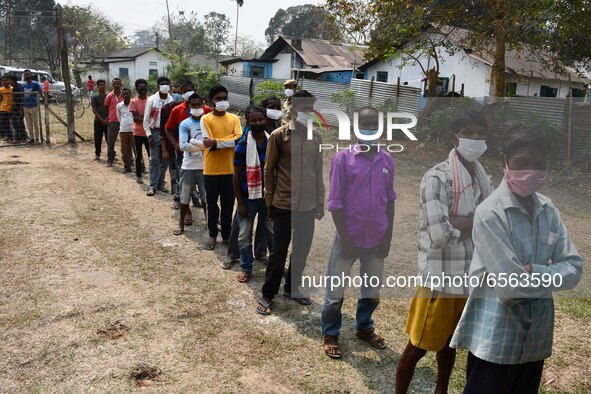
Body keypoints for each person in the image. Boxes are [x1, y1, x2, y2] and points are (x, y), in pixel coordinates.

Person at [450, 125, 583, 394]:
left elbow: (575, 269)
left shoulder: (549, 210)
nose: (531, 172)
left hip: (536, 340)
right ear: (505, 161)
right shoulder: (490, 214)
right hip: (497, 340)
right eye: (522, 163)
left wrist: (532, 270)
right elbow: (510, 288)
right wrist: (550, 272)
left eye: (539, 164)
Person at [395, 110, 494, 394]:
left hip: (468, 278)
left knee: (450, 342)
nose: (476, 138)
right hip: (439, 280)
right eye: (469, 133)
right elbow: (440, 235)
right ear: (454, 137)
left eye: (480, 133)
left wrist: (464, 221)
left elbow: (492, 221)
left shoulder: (481, 176)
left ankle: (442, 390)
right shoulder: (437, 178)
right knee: (417, 347)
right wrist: (478, 221)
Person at [321, 106, 396, 359]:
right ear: (355, 128)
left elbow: (390, 201)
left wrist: (388, 237)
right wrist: (346, 237)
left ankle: (364, 327)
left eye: (374, 124)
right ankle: (331, 333)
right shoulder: (343, 159)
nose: (370, 129)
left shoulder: (387, 159)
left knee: (372, 290)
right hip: (348, 238)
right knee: (335, 292)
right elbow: (335, 204)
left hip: (376, 238)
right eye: (365, 124)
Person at [257, 90, 325, 315]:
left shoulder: (316, 137)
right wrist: (269, 202)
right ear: (294, 109)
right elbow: (269, 170)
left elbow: (318, 171)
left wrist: (320, 201)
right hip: (283, 203)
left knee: (302, 250)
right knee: (279, 251)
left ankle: (292, 288)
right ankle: (268, 293)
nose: (308, 112)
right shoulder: (279, 135)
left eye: (311, 108)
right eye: (304, 108)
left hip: (308, 205)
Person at [225, 104, 272, 269]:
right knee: (244, 236)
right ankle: (246, 266)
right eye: (254, 120)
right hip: (248, 198)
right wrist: (241, 203)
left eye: (260, 119)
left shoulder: (273, 143)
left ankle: (274, 266)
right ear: (248, 122)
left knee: (272, 234)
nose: (258, 122)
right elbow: (236, 175)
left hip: (268, 198)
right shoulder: (243, 146)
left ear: (265, 120)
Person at [201, 84, 242, 250]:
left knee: (228, 205)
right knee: (212, 205)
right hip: (211, 169)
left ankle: (226, 235)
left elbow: (239, 140)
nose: (222, 101)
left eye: (224, 98)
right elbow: (208, 144)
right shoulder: (206, 119)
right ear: (212, 100)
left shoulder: (235, 118)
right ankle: (212, 235)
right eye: (218, 99)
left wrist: (217, 141)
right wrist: (227, 140)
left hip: (230, 170)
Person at [165, 80, 213, 218]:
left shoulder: (207, 110)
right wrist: (175, 144)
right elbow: (168, 129)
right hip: (184, 153)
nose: (186, 93)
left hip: (205, 153)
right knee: (184, 180)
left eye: (189, 90)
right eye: (183, 91)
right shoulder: (177, 109)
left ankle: (205, 210)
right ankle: (187, 211)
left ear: (194, 89)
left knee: (204, 182)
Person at [173, 93, 208, 236]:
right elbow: (182, 146)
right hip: (188, 166)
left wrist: (194, 143)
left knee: (206, 199)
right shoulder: (185, 124)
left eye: (199, 105)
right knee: (184, 198)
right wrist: (204, 146)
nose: (196, 107)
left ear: (203, 104)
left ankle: (210, 224)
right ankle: (181, 225)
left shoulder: (208, 121)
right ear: (189, 106)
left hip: (206, 167)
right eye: (193, 105)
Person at [143, 76, 173, 196]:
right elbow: (146, 120)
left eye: (167, 83)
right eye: (162, 84)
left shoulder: (171, 101)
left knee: (165, 160)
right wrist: (149, 135)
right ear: (158, 86)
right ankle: (152, 186)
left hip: (167, 132)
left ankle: (160, 183)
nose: (165, 85)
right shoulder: (151, 100)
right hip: (154, 131)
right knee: (154, 160)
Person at [129, 79, 149, 184]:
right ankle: (138, 176)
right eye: (140, 87)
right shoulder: (133, 101)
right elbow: (135, 118)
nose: (143, 88)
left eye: (144, 86)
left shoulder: (151, 100)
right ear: (137, 88)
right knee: (138, 155)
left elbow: (152, 116)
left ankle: (153, 176)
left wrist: (142, 117)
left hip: (149, 132)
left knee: (152, 155)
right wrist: (146, 118)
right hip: (137, 133)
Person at [104, 78, 123, 167]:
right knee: (111, 142)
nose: (116, 85)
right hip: (112, 122)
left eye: (118, 83)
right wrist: (110, 116)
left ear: (120, 85)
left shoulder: (125, 95)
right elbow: (106, 108)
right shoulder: (109, 96)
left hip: (123, 122)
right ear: (112, 85)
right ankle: (110, 159)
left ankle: (129, 160)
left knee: (126, 142)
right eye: (114, 84)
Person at [116, 87, 134, 172]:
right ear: (122, 95)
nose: (126, 95)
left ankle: (141, 167)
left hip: (134, 131)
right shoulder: (119, 106)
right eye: (124, 94)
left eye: (127, 94)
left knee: (136, 149)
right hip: (123, 130)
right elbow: (119, 118)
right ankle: (127, 167)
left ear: (130, 94)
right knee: (124, 150)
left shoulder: (134, 103)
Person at [21, 70, 42, 144]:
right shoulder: (23, 85)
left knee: (35, 123)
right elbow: (21, 96)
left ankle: (37, 139)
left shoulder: (35, 84)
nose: (26, 76)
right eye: (25, 74)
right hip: (25, 106)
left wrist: (43, 99)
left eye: (28, 74)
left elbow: (40, 92)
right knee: (29, 124)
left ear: (31, 75)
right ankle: (31, 138)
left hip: (34, 106)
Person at [91, 79, 109, 160]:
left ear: (105, 86)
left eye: (103, 85)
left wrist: (107, 119)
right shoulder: (94, 97)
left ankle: (111, 153)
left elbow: (111, 109)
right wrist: (102, 119)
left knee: (109, 138)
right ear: (97, 87)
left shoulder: (109, 96)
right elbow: (94, 109)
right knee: (98, 138)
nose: (102, 86)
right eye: (100, 85)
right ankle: (97, 153)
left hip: (108, 121)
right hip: (98, 121)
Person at [8, 75, 27, 144]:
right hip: (16, 107)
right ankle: (20, 137)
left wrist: (20, 108)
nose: (8, 82)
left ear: (12, 81)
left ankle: (21, 138)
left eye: (9, 80)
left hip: (18, 107)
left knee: (17, 123)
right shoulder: (14, 87)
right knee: (18, 123)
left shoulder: (18, 87)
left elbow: (21, 98)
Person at [0, 76, 12, 142]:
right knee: (4, 123)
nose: (5, 82)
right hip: (3, 108)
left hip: (11, 108)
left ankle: (12, 136)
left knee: (11, 123)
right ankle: (8, 136)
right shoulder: (1, 89)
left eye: (6, 80)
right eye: (3, 81)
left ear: (9, 81)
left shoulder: (12, 89)